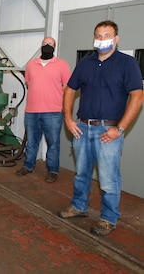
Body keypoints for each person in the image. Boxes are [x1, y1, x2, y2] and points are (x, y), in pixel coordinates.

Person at [58, 20, 143, 236]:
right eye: (99, 35)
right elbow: (69, 89)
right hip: (82, 128)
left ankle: (108, 218)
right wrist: (68, 119)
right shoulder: (86, 63)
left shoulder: (127, 63)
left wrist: (120, 128)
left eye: (107, 35)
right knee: (81, 174)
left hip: (109, 132)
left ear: (116, 39)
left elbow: (137, 95)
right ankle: (79, 206)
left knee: (108, 178)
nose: (102, 39)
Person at [16, 37, 71, 183]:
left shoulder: (62, 65)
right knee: (32, 142)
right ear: (41, 46)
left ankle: (52, 170)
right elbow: (28, 83)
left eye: (50, 44)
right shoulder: (31, 65)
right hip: (32, 111)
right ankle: (28, 166)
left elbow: (67, 87)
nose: (47, 46)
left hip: (53, 112)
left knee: (53, 143)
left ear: (55, 47)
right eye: (45, 44)